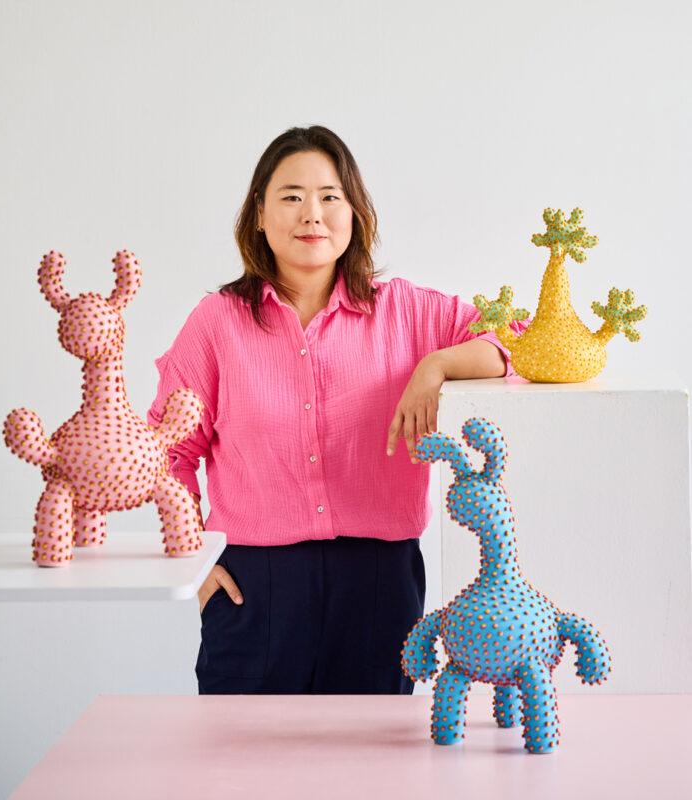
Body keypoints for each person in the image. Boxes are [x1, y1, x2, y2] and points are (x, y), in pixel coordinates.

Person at [148, 125, 524, 695]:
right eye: (292, 197)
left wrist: (436, 365)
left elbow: (516, 340)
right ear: (259, 213)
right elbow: (166, 451)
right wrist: (191, 565)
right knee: (244, 770)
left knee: (372, 770)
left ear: (354, 212)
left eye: (330, 196)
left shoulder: (406, 313)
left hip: (379, 581)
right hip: (253, 584)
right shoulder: (217, 322)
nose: (312, 214)